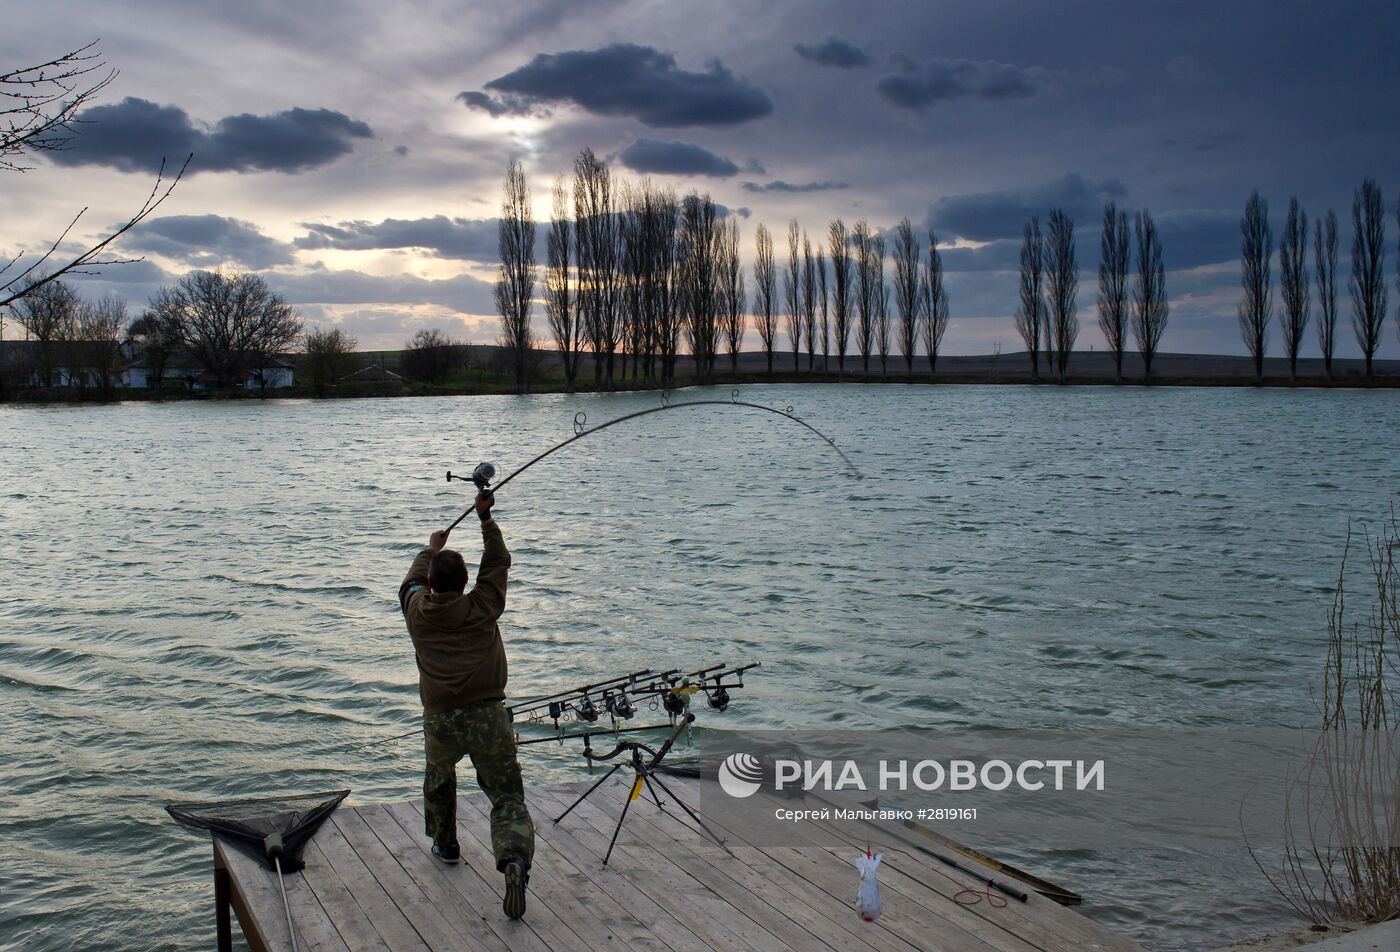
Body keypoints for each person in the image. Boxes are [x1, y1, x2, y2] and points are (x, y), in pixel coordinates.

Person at [398, 489, 534, 920]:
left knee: (439, 780)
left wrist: (429, 549)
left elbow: (409, 584)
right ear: (465, 581)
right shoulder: (483, 606)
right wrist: (485, 519)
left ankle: (447, 844)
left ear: (434, 584)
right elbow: (497, 563)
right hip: (489, 715)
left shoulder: (418, 612)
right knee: (506, 794)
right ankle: (512, 858)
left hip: (440, 719)